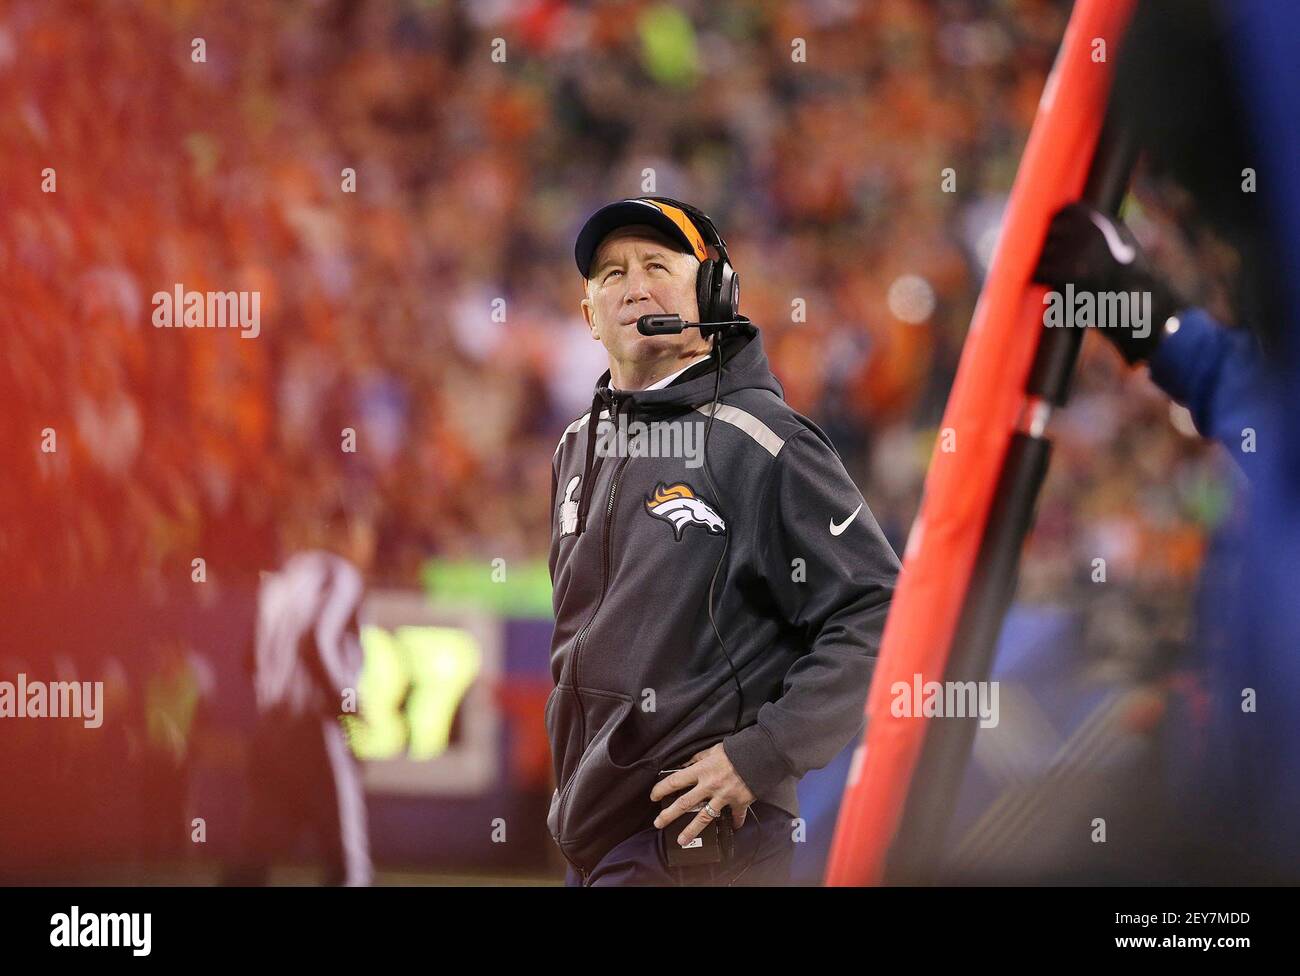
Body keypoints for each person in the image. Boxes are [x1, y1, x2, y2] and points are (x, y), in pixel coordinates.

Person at [547, 196, 900, 885]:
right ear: (589, 314)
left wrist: (764, 753)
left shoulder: (763, 442)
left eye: (657, 265)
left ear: (715, 293)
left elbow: (880, 611)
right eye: (612, 273)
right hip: (599, 840)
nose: (634, 285)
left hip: (701, 841)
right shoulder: (576, 445)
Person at [227, 515, 374, 886]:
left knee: (252, 855)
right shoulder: (339, 576)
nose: (367, 546)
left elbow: (249, 659)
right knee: (347, 859)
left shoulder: (282, 580)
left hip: (271, 731)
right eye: (362, 534)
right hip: (312, 730)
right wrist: (347, 703)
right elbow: (318, 643)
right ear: (344, 537)